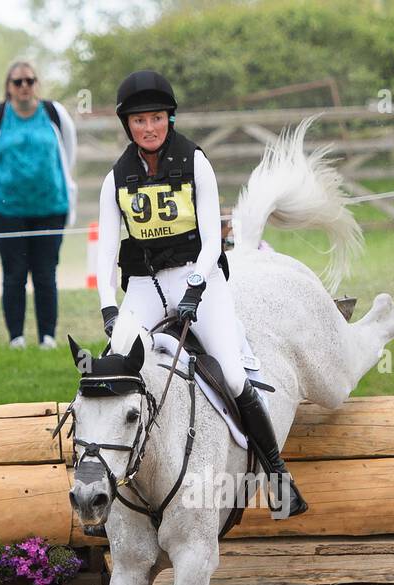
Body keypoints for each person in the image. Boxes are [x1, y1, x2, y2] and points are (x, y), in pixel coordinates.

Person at [96, 70, 306, 517]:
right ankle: (106, 487)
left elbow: (213, 239)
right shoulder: (116, 178)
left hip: (199, 276)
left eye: (155, 118)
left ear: (168, 118)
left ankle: (276, 472)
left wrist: (195, 287)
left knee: (230, 374)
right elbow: (105, 249)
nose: (148, 128)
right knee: (112, 370)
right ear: (127, 125)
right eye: (138, 121)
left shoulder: (195, 161)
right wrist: (108, 308)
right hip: (143, 286)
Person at [0, 61, 76, 351]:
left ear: (37, 84)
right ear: (9, 87)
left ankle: (47, 337)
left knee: (46, 273)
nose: (24, 86)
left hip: (50, 207)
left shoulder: (55, 114)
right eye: (18, 82)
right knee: (14, 273)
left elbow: (69, 153)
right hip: (6, 209)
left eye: (30, 80)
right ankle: (16, 337)